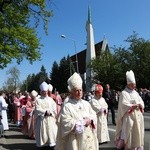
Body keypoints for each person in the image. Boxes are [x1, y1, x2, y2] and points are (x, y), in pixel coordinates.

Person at [55, 72, 99, 150]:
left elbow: (93, 114)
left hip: (87, 135)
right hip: (74, 138)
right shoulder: (67, 106)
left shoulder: (86, 104)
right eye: (76, 91)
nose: (79, 93)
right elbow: (65, 122)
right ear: (71, 92)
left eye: (80, 90)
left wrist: (90, 119)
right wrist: (82, 123)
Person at [115, 70, 144, 150]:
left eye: (134, 84)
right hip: (129, 117)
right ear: (128, 84)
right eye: (132, 84)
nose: (134, 86)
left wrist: (140, 105)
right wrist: (132, 105)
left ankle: (137, 146)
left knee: (137, 132)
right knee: (129, 132)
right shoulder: (124, 93)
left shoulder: (136, 93)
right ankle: (128, 146)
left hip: (137, 116)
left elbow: (141, 101)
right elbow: (123, 105)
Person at [34, 82, 57, 150]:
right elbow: (37, 109)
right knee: (43, 136)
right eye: (44, 91)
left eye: (46, 91)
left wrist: (51, 112)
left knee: (51, 136)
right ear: (41, 92)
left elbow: (54, 108)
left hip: (50, 120)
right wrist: (45, 112)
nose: (45, 93)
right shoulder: (38, 100)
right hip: (42, 121)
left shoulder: (51, 100)